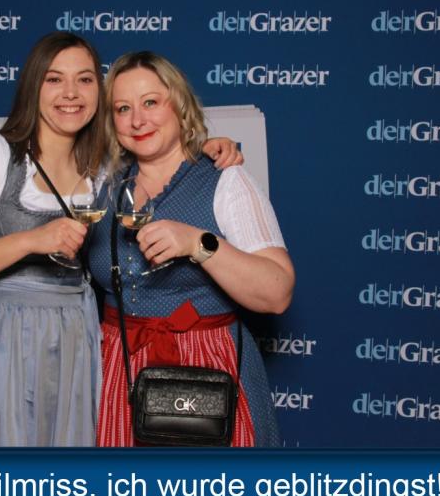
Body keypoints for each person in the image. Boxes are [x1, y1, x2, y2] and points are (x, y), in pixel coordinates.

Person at [0, 33, 243, 447]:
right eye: (54, 79)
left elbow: (160, 148)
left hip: (74, 340)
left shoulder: (104, 167)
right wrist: (31, 240)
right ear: (33, 86)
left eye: (84, 80)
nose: (70, 93)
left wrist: (206, 147)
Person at [88, 51, 295, 447]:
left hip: (207, 367)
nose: (137, 120)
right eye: (123, 108)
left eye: (151, 102)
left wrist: (198, 244)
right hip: (118, 366)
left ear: (179, 106)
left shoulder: (225, 180)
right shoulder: (103, 183)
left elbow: (277, 292)